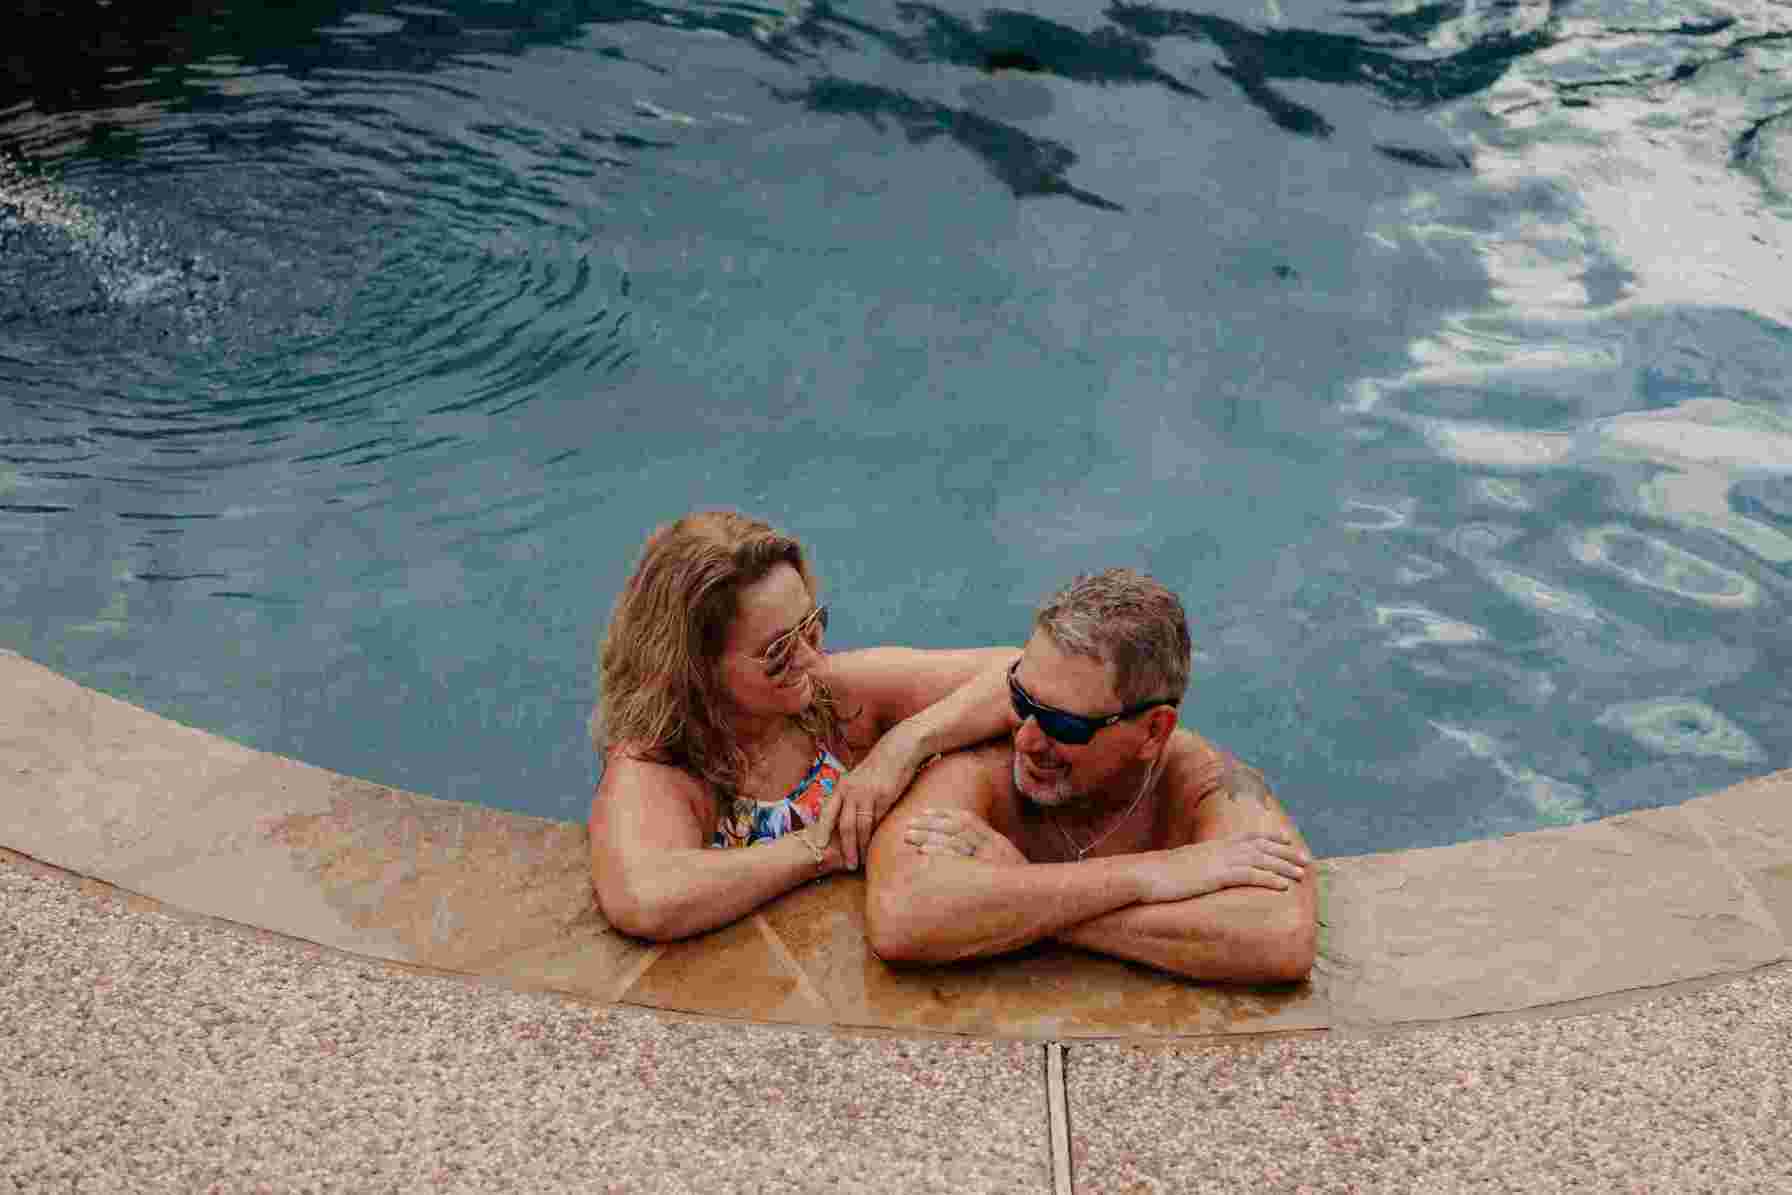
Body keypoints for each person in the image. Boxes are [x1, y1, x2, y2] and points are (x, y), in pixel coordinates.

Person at [865, 568, 1317, 984]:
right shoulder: (983, 764)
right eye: (1021, 700)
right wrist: (1147, 876)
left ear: (1153, 731)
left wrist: (1022, 890)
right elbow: (901, 914)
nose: (1026, 740)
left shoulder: (1209, 782)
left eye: (1065, 725)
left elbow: (1281, 935)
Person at [588, 510, 1017, 942]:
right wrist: (822, 847)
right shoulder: (659, 761)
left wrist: (904, 745)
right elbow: (647, 897)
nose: (811, 661)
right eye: (778, 652)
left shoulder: (834, 698)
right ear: (695, 668)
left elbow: (1025, 675)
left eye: (811, 627)